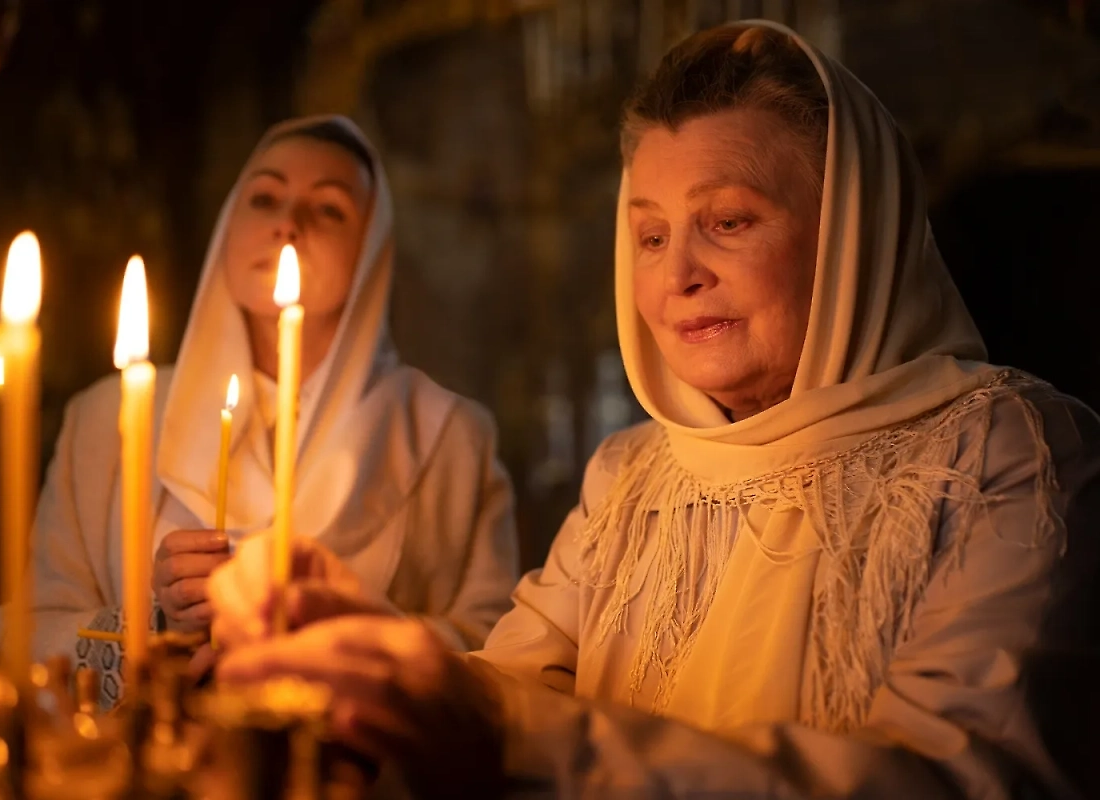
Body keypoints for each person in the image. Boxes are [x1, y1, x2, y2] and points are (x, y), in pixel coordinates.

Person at [206, 22, 1100, 800]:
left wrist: (502, 737)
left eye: (731, 221)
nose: (678, 277)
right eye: (651, 234)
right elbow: (517, 686)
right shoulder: (633, 475)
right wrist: (373, 652)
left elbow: (961, 780)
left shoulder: (1008, 452)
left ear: (853, 238)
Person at [0, 116, 520, 709]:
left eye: (328, 210)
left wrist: (344, 636)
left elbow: (496, 659)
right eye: (265, 198)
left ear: (373, 251)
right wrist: (157, 626)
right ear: (227, 229)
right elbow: (24, 632)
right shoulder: (106, 420)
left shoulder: (447, 437)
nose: (287, 224)